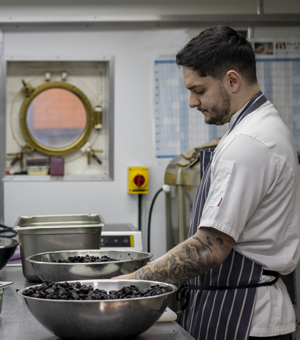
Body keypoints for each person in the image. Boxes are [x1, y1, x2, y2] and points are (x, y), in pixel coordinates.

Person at [116, 26, 300, 340]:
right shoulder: (255, 128)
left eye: (199, 90)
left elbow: (208, 249)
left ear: (232, 80)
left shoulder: (249, 141)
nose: (191, 102)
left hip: (244, 315)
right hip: (229, 303)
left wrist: (131, 283)